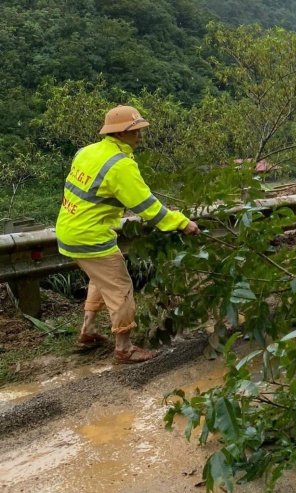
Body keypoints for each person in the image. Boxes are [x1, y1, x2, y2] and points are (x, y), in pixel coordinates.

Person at [56, 105, 200, 363]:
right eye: (135, 131)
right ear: (120, 133)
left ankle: (88, 331)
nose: (140, 136)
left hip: (69, 230)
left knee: (100, 278)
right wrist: (180, 222)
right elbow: (147, 207)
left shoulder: (87, 152)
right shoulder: (120, 165)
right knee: (121, 286)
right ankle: (124, 347)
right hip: (90, 237)